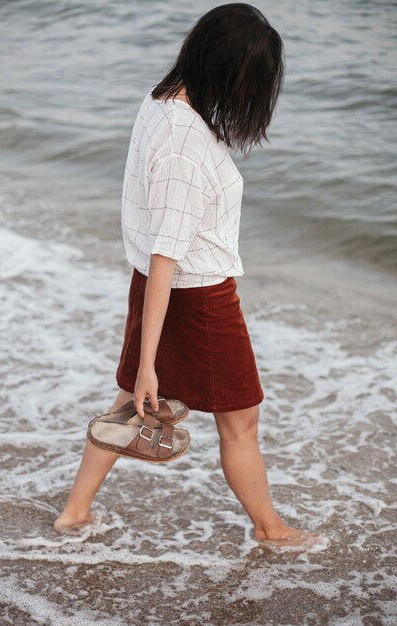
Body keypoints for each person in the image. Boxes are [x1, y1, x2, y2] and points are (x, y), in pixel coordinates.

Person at [54, 3, 315, 545]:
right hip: (195, 298)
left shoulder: (162, 100)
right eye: (251, 82)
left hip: (157, 287)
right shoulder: (184, 143)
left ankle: (75, 512)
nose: (250, 96)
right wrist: (150, 365)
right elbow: (166, 256)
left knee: (127, 405)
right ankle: (271, 529)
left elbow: (157, 255)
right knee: (239, 421)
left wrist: (143, 369)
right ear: (230, 73)